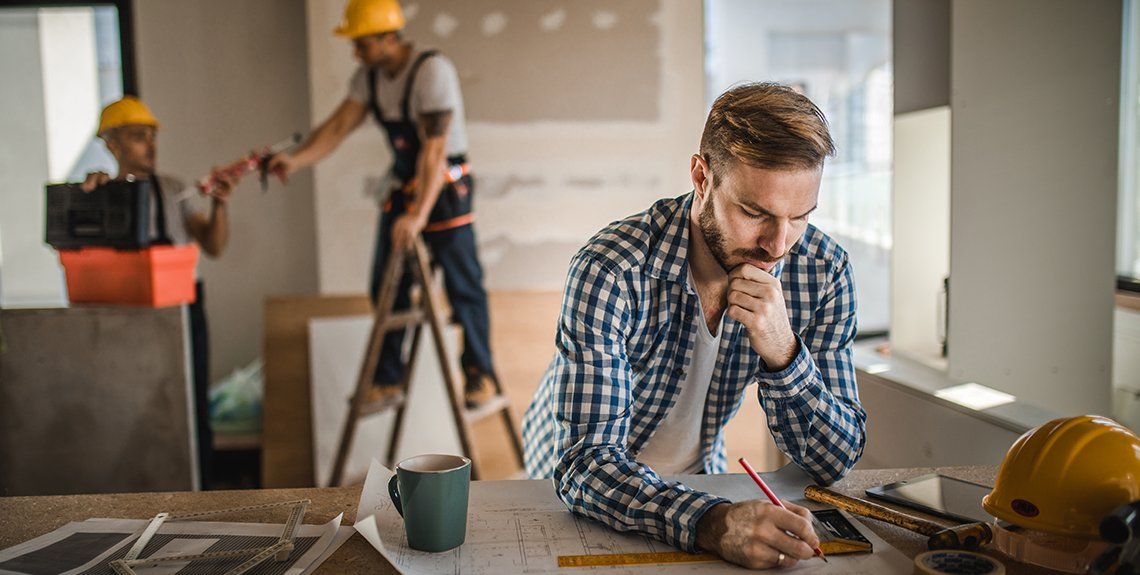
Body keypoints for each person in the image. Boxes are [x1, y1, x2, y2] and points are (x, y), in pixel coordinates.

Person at [521, 83, 867, 570]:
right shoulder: (612, 268)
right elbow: (586, 465)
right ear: (701, 177)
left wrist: (784, 353)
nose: (777, 245)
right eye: (754, 213)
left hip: (696, 480)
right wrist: (715, 522)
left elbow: (836, 459)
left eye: (800, 217)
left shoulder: (824, 271)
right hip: (572, 487)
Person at [268, 0, 497, 408]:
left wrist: (417, 216)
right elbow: (337, 126)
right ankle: (388, 378)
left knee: (463, 286)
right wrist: (295, 160)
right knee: (386, 285)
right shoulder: (368, 78)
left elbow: (434, 151)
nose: (356, 52)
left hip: (445, 187)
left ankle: (479, 375)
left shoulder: (431, 71)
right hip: (406, 185)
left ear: (389, 37)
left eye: (362, 43)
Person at [82, 95, 236, 490]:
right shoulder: (102, 193)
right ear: (112, 143)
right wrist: (93, 196)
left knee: (192, 403)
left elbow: (214, 246)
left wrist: (219, 205)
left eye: (152, 136)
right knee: (138, 406)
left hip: (184, 307)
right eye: (138, 137)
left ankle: (201, 490)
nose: (150, 145)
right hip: (132, 313)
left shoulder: (174, 189)